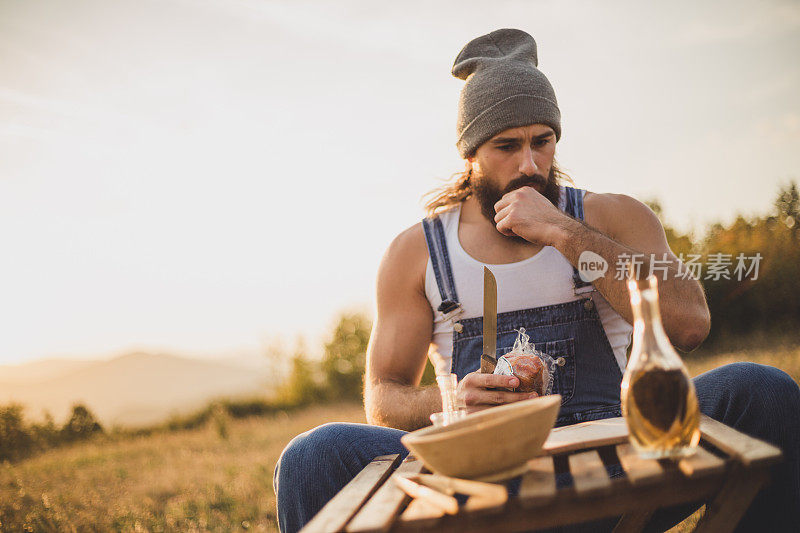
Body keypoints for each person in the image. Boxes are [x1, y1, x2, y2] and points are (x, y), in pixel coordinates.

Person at [273, 29, 800, 532]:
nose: (529, 164)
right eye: (506, 147)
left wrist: (566, 233)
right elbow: (383, 398)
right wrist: (453, 403)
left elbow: (689, 324)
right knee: (312, 456)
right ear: (471, 154)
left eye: (542, 142)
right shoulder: (416, 252)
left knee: (764, 391)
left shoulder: (613, 217)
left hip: (616, 465)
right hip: (479, 485)